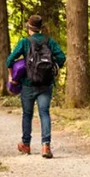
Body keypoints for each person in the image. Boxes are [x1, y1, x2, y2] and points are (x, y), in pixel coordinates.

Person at [6, 15, 66, 159]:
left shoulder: (25, 42)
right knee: (44, 113)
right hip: (46, 84)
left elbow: (10, 60)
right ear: (40, 28)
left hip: (28, 84)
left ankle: (26, 145)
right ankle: (45, 145)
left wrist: (11, 75)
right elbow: (62, 58)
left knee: (27, 114)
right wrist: (53, 67)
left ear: (29, 28)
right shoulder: (49, 41)